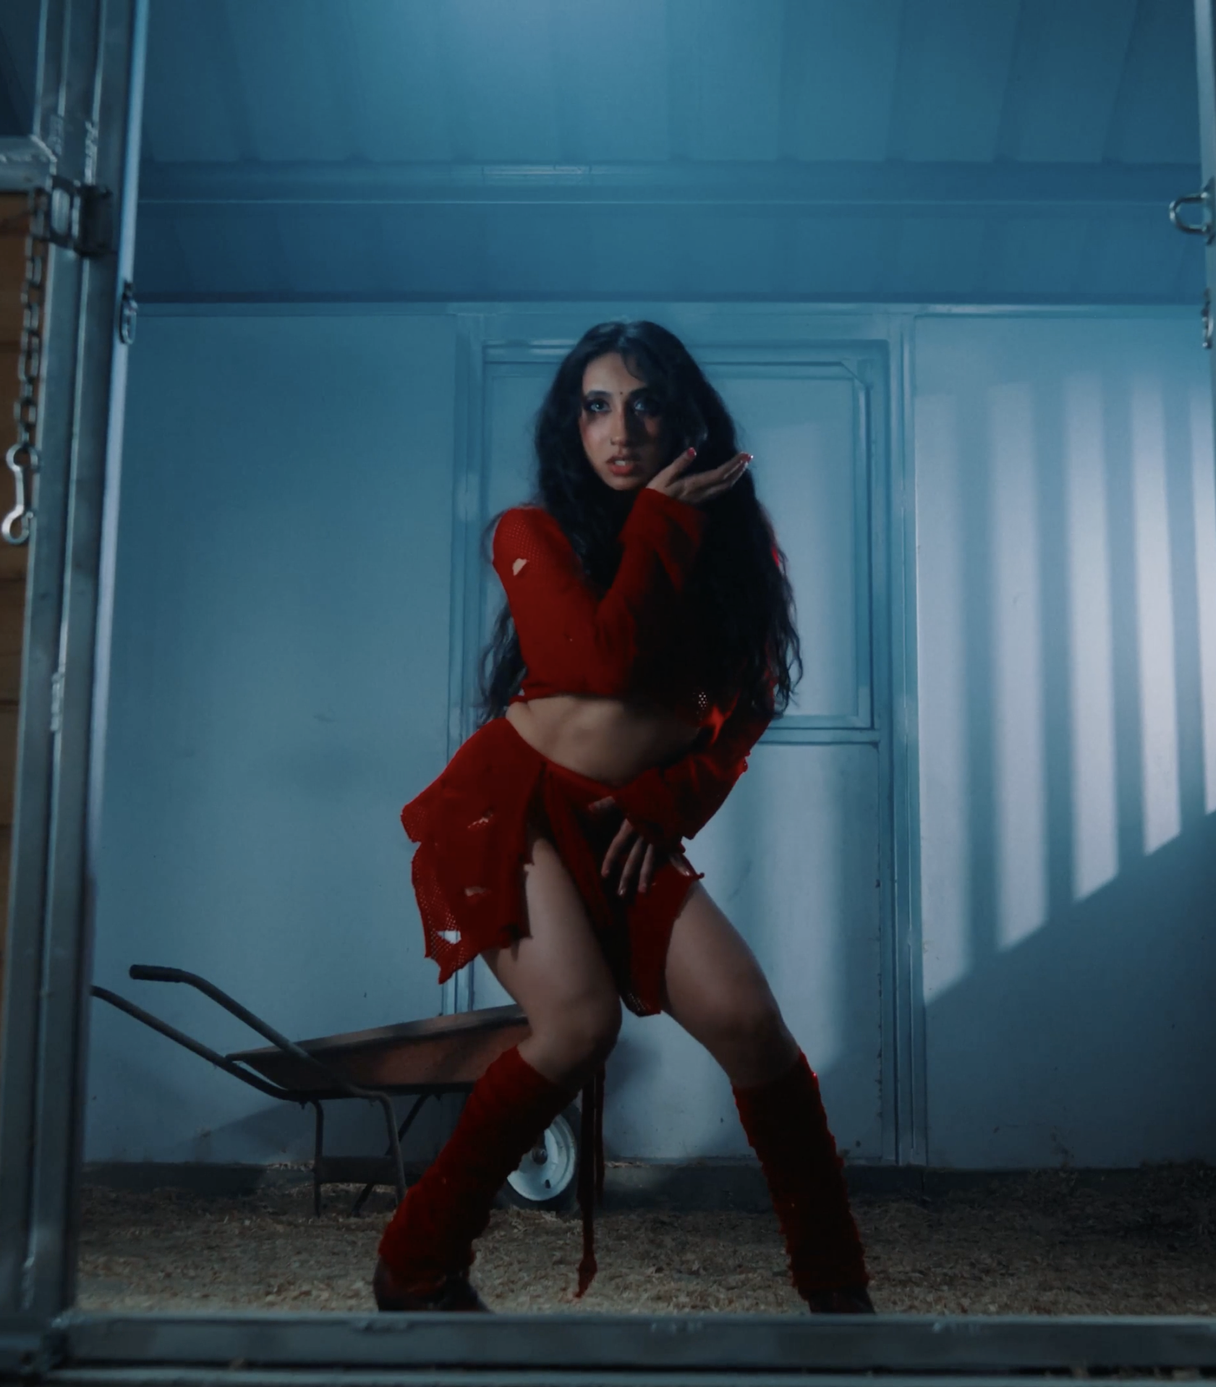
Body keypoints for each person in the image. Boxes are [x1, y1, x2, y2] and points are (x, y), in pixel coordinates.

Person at [374, 320, 874, 1315]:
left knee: (746, 1018)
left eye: (645, 402)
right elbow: (592, 663)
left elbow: (749, 705)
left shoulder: (735, 555)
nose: (620, 427)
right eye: (595, 405)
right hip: (507, 802)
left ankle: (837, 1296)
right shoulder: (529, 532)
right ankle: (417, 1262)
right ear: (571, 423)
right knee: (577, 1023)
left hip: (616, 818)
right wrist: (657, 522)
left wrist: (666, 797)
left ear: (685, 416)